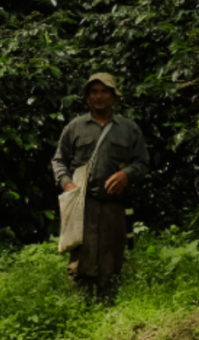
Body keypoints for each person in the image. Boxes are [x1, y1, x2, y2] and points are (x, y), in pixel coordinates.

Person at [52, 73, 150, 299]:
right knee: (80, 261)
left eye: (104, 91)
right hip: (82, 205)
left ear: (114, 96)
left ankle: (109, 308)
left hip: (114, 205)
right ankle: (79, 308)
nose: (99, 96)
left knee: (111, 259)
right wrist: (67, 184)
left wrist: (127, 175)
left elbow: (143, 162)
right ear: (87, 97)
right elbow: (58, 160)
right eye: (94, 92)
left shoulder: (128, 128)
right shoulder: (75, 127)